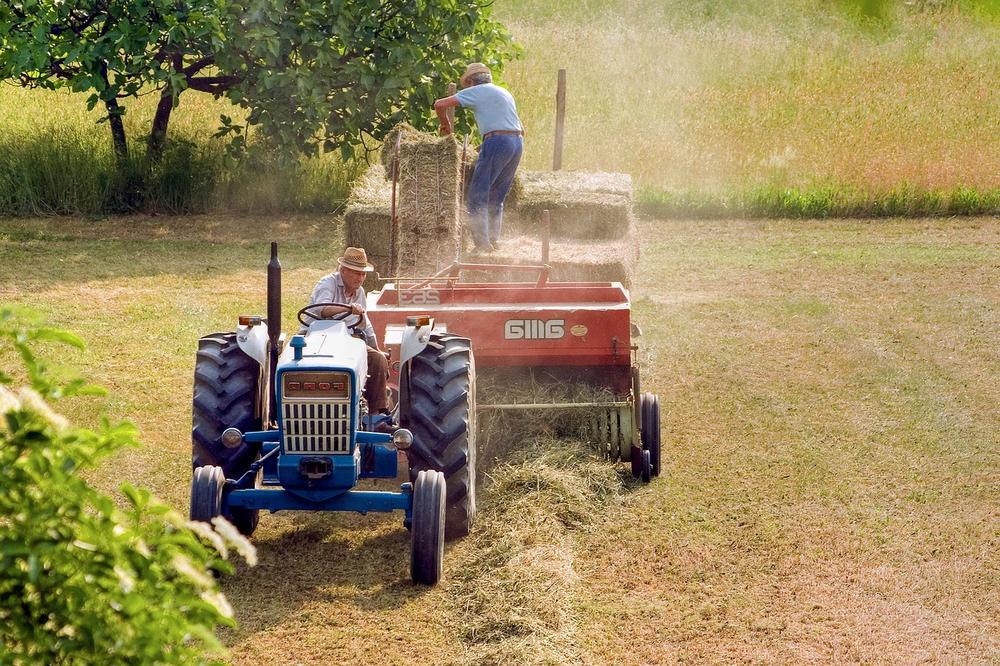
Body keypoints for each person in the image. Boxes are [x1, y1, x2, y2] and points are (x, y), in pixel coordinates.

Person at [433, 62, 523, 253]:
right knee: (497, 196)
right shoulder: (504, 92)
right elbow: (511, 124)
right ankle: (493, 240)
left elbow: (439, 104)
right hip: (516, 143)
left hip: (498, 141)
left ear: (472, 81)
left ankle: (482, 245)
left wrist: (445, 123)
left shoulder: (477, 90)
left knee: (476, 196)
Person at [304, 246, 390, 416]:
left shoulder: (360, 293)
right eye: (356, 273)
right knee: (287, 361)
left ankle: (376, 415)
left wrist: (377, 348)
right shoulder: (327, 284)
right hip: (315, 340)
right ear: (343, 270)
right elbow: (322, 309)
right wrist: (348, 309)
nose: (361, 278)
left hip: (347, 341)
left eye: (363, 273)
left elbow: (366, 325)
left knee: (378, 359)